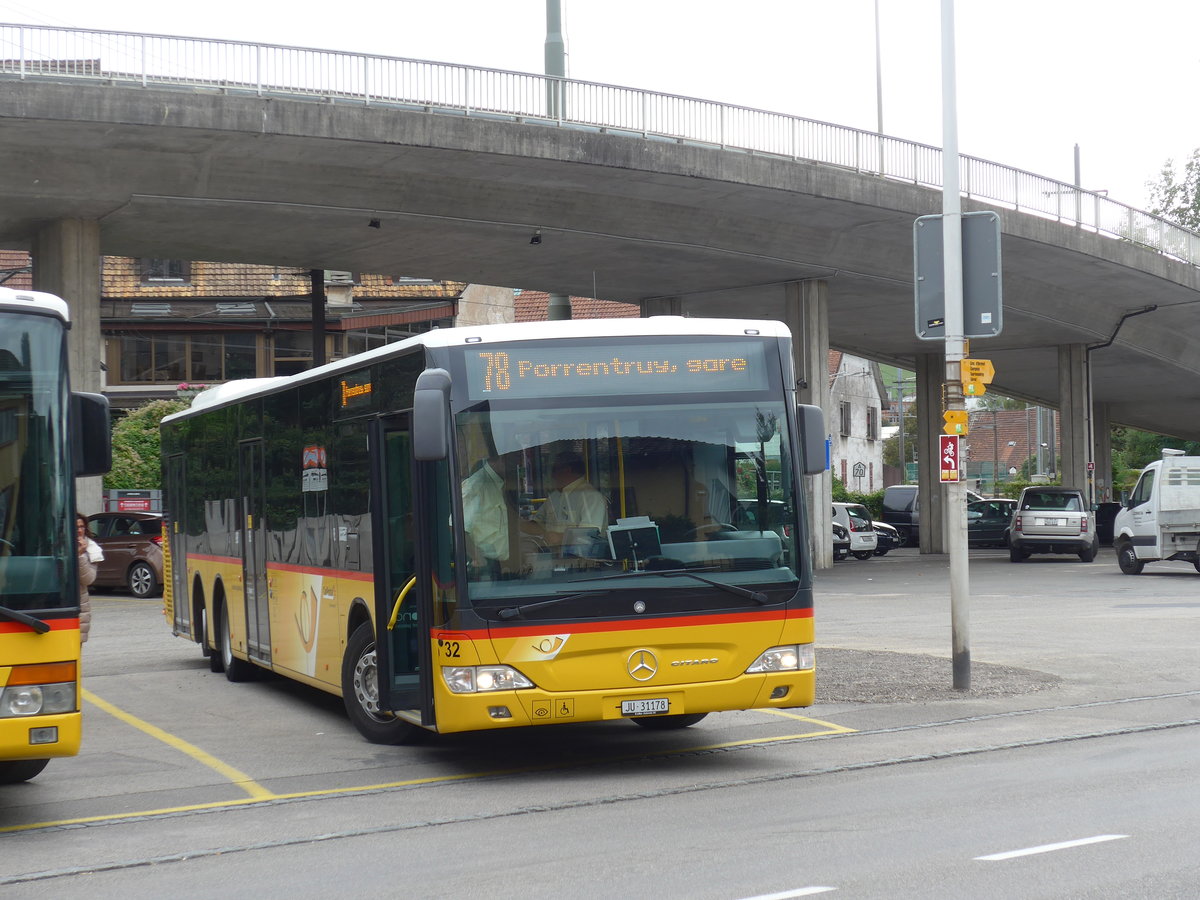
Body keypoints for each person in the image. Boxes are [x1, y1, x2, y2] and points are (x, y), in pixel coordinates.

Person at [529, 452, 608, 549]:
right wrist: (517, 524)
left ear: (566, 470)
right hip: (551, 558)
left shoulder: (591, 497)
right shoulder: (554, 497)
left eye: (554, 470)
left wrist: (559, 537)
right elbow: (537, 524)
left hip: (582, 561)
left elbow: (589, 536)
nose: (552, 475)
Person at [460, 452, 511, 574]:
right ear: (502, 459)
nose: (516, 466)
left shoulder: (497, 483)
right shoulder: (476, 485)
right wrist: (477, 557)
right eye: (514, 460)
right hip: (485, 566)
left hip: (500, 564)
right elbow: (458, 528)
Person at [76, 513, 101, 643]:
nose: (79, 531)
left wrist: (80, 556)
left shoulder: (91, 549)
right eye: (75, 527)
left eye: (82, 527)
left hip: (80, 607)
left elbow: (88, 579)